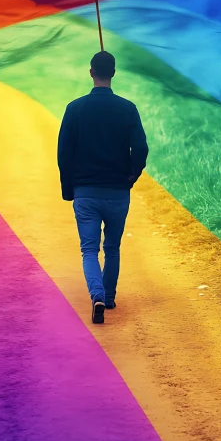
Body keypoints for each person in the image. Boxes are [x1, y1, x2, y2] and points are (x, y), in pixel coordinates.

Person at [57, 50, 149, 324]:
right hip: (118, 191)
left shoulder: (74, 109)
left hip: (86, 191)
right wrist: (132, 174)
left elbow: (64, 153)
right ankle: (108, 297)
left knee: (89, 249)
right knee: (112, 246)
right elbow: (141, 147)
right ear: (113, 73)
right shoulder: (127, 108)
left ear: (91, 72)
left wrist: (68, 188)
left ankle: (96, 294)